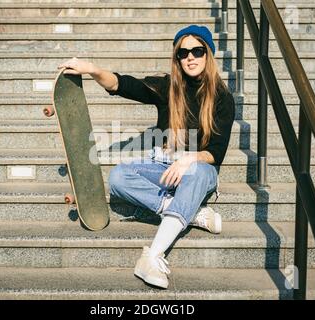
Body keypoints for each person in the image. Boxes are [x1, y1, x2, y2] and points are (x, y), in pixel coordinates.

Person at [58, 25, 235, 289]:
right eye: (183, 53)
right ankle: (191, 212)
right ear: (177, 58)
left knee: (197, 173)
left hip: (198, 167)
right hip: (162, 163)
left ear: (208, 54)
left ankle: (153, 255)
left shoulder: (222, 98)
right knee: (119, 177)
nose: (190, 57)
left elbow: (216, 152)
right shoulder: (168, 87)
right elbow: (123, 84)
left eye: (197, 50)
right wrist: (93, 69)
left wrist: (188, 159)